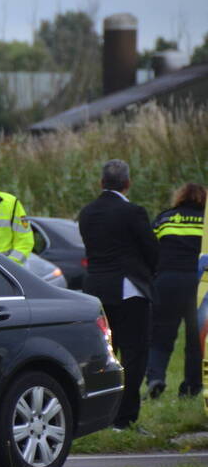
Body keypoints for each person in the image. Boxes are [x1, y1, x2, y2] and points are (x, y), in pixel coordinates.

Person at [78, 159, 158, 431]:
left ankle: (100, 416)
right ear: (128, 183)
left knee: (103, 354)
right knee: (135, 354)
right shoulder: (133, 212)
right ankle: (125, 417)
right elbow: (152, 251)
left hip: (96, 291)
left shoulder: (86, 213)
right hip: (129, 290)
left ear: (101, 183)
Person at [146, 183, 206, 399]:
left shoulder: (165, 218)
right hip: (199, 285)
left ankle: (155, 378)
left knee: (160, 336)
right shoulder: (206, 219)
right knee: (195, 340)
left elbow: (149, 249)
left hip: (167, 281)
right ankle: (190, 388)